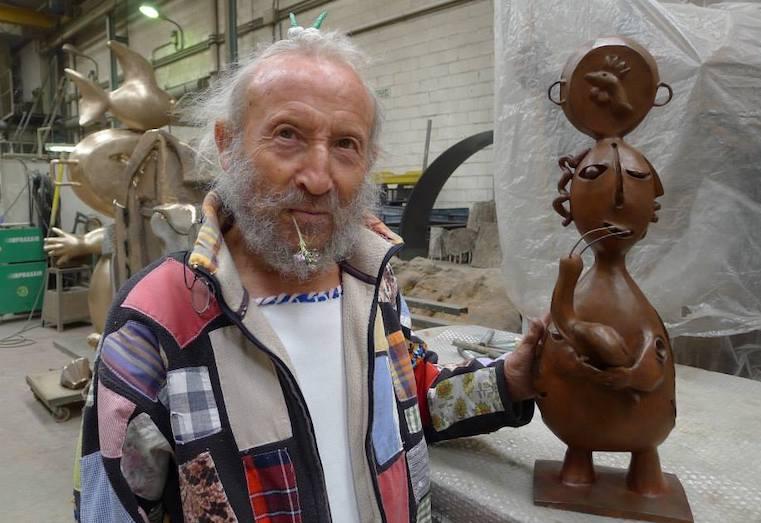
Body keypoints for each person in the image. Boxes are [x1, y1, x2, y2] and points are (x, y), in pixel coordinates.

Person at [77, 23, 546, 523]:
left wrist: (509, 381)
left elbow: (413, 403)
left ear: (367, 163)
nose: (319, 178)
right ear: (228, 144)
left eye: (345, 144)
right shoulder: (158, 317)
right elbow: (115, 508)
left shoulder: (374, 285)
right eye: (287, 135)